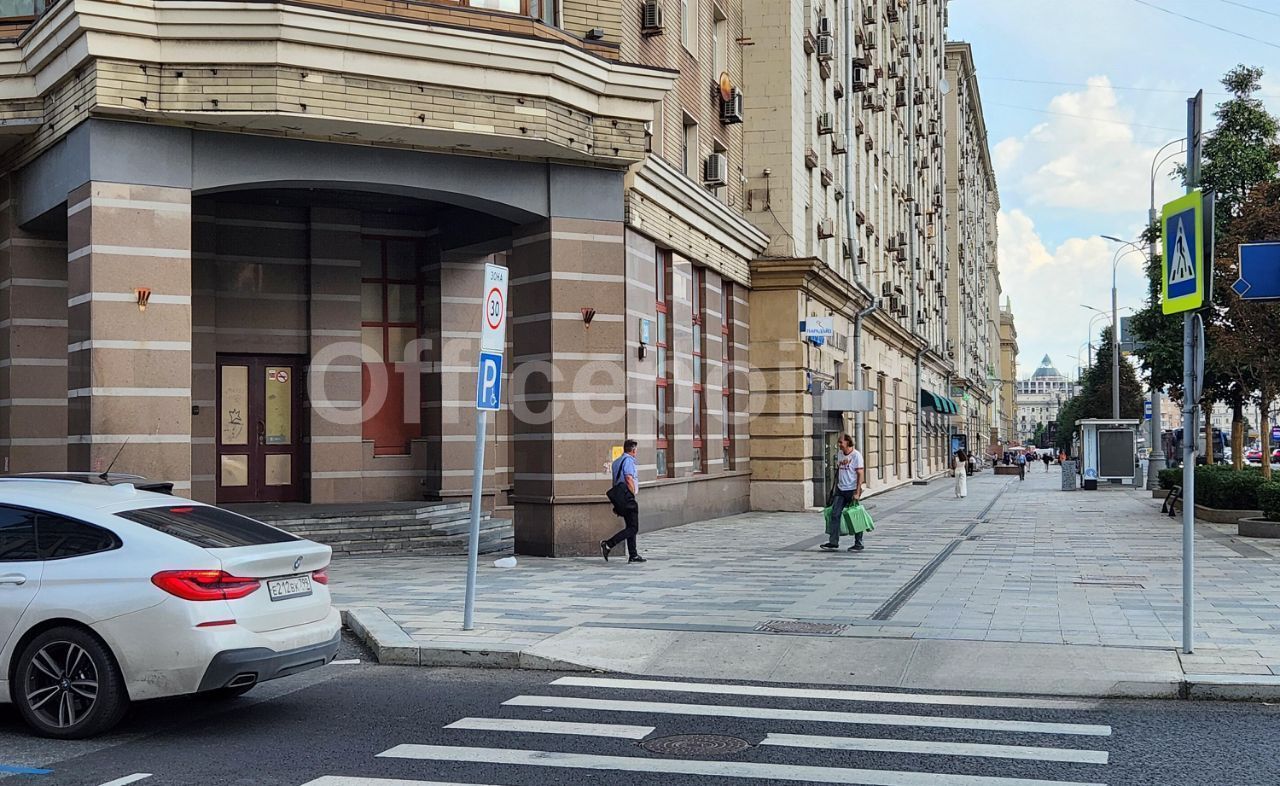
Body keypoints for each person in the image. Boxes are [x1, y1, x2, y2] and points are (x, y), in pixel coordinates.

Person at [601, 440, 645, 563]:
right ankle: (608, 544)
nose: (636, 452)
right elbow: (628, 478)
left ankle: (633, 554)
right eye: (636, 449)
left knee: (630, 526)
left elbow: (615, 481)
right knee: (633, 528)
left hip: (620, 497)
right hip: (628, 497)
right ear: (633, 450)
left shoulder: (617, 462)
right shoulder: (629, 461)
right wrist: (632, 494)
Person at [821, 433, 865, 552]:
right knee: (835, 514)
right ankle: (833, 542)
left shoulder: (856, 456)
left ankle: (858, 543)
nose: (839, 444)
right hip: (840, 489)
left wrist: (857, 492)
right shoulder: (840, 454)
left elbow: (860, 473)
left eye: (841, 442)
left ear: (848, 442)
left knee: (855, 515)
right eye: (839, 442)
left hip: (852, 489)